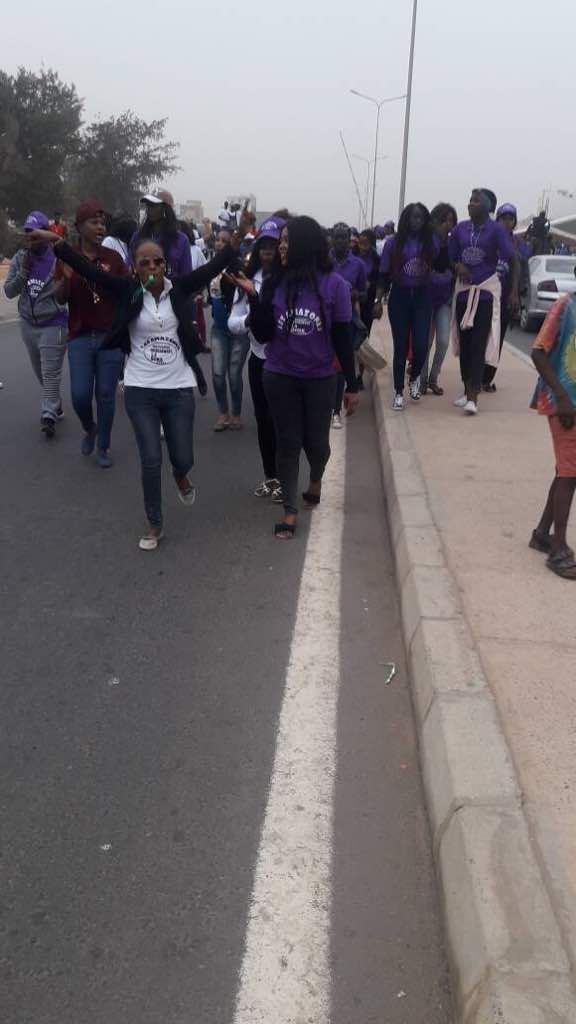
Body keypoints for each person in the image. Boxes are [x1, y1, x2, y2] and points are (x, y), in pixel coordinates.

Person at [30, 225, 241, 550]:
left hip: (179, 387)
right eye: (145, 263)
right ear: (135, 267)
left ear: (165, 265)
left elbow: (210, 268)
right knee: (151, 458)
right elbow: (88, 270)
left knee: (182, 455)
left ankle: (181, 474)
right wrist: (59, 245)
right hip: (140, 388)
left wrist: (233, 247)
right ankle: (154, 523)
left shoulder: (181, 288)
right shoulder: (127, 290)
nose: (152, 268)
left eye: (157, 262)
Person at [231, 215, 359, 539]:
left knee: (317, 445)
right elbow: (262, 333)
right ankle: (289, 510)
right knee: (287, 443)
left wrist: (352, 385)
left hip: (320, 378)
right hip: (279, 375)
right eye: (280, 242)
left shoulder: (335, 286)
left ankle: (315, 478)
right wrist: (254, 298)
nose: (280, 248)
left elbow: (343, 337)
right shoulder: (274, 282)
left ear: (304, 245)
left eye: (286, 242)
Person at [53, 200, 127, 466]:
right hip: (80, 336)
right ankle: (89, 428)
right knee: (80, 396)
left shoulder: (114, 259)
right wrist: (65, 278)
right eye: (93, 223)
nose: (100, 227)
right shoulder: (67, 255)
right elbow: (60, 298)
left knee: (106, 394)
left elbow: (125, 293)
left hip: (109, 337)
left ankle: (103, 446)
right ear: (79, 227)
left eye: (102, 223)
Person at [228, 216, 285, 500]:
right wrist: (251, 319)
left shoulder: (289, 280)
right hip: (258, 359)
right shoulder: (246, 280)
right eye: (263, 244)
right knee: (263, 421)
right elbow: (232, 322)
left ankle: (286, 479)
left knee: (282, 422)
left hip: (284, 362)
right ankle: (271, 478)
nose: (267, 250)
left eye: (273, 245)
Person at [448, 188, 516, 415]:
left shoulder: (496, 230)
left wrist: (513, 290)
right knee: (465, 344)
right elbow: (450, 256)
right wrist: (457, 266)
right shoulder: (460, 229)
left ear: (488, 206)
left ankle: (473, 397)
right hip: (463, 293)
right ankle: (466, 388)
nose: (470, 204)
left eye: (476, 201)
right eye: (469, 200)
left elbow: (511, 258)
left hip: (485, 294)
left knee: (478, 342)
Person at [374, 203, 444, 410]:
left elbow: (440, 262)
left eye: (421, 218)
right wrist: (378, 300)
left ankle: (414, 379)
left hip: (423, 296)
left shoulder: (431, 242)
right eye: (413, 217)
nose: (417, 222)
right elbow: (383, 275)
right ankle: (398, 391)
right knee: (401, 346)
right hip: (400, 297)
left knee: (422, 345)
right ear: (406, 219)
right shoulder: (392, 244)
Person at [4, 210, 68, 438]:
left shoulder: (59, 257)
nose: (31, 239)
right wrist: (23, 272)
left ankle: (48, 414)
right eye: (28, 234)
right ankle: (55, 402)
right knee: (40, 371)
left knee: (50, 372)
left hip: (54, 322)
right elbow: (9, 291)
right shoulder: (21, 258)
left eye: (36, 234)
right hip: (28, 324)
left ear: (46, 234)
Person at [530, 282, 576, 578]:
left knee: (566, 469)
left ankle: (542, 534)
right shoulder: (565, 307)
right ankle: (558, 549)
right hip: (563, 403)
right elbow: (538, 353)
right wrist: (562, 397)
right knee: (570, 473)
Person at [481, 203, 524, 392]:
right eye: (503, 218)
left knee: (497, 339)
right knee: (480, 337)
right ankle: (475, 376)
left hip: (504, 297)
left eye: (510, 219)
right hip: (485, 295)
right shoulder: (489, 237)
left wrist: (515, 296)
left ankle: (487, 379)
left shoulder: (517, 243)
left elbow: (518, 267)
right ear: (497, 219)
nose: (507, 222)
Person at [209, 228, 249, 431]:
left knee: (234, 374)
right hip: (218, 328)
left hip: (239, 332)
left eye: (225, 240)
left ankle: (236, 414)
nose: (220, 243)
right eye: (218, 240)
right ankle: (223, 413)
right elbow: (208, 301)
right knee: (217, 373)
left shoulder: (242, 269)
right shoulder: (211, 270)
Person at [330, 222, 367, 427]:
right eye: (336, 237)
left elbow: (364, 292)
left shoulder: (358, 265)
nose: (340, 241)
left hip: (347, 318)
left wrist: (353, 294)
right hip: (326, 317)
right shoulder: (325, 261)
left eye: (343, 237)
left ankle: (336, 410)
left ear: (349, 240)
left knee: (341, 364)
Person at [420, 203, 457, 396]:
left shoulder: (453, 244)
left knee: (443, 341)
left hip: (444, 299)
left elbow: (457, 270)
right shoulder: (427, 242)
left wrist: (452, 296)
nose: (447, 224)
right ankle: (423, 380)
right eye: (443, 220)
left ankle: (434, 377)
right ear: (434, 221)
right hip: (426, 298)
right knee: (425, 342)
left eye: (451, 220)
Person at [133, 191, 192, 278]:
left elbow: (186, 275)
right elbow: (131, 266)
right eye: (148, 205)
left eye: (153, 205)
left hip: (172, 290)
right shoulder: (138, 237)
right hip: (144, 289)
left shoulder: (181, 240)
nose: (149, 209)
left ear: (165, 209)